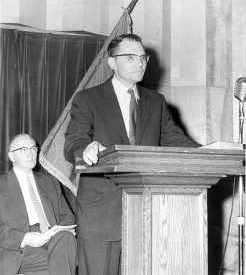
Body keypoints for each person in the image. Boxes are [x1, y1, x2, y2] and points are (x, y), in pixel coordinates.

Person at [64, 33, 201, 275]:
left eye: (143, 57)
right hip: (101, 211)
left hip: (147, 210)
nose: (140, 63)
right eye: (130, 57)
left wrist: (206, 154)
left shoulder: (156, 101)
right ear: (112, 62)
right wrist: (85, 148)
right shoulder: (88, 99)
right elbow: (74, 141)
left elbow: (175, 140)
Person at [0, 133, 77, 275]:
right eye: (24, 149)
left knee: (66, 239)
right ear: (11, 156)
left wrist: (62, 229)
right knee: (61, 263)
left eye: (34, 149)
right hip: (20, 247)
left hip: (52, 236)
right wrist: (25, 237)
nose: (30, 153)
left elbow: (66, 215)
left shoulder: (50, 182)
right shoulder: (2, 185)